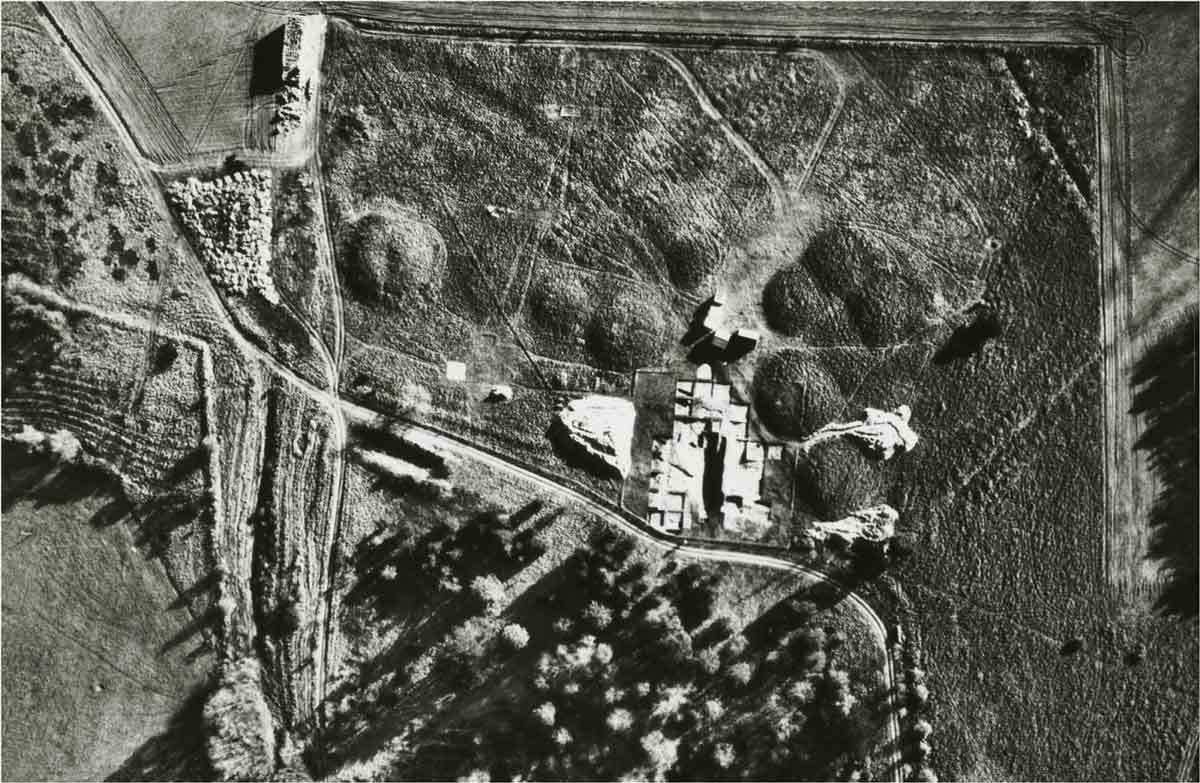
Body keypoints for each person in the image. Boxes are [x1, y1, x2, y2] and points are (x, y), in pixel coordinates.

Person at [800, 404, 919, 459]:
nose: (895, 410)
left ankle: (810, 440)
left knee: (840, 430)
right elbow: (868, 412)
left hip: (877, 438)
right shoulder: (888, 417)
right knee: (839, 429)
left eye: (898, 411)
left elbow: (909, 442)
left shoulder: (900, 426)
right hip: (871, 432)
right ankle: (810, 439)